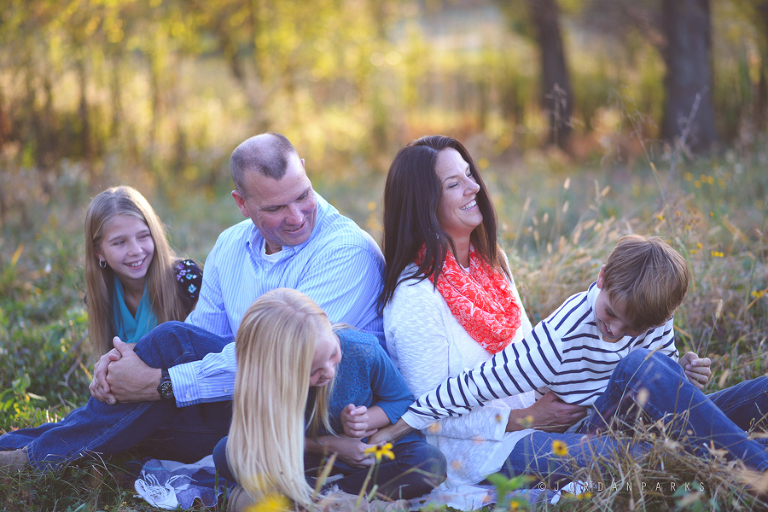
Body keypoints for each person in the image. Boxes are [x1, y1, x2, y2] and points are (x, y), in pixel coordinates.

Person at [0, 133, 385, 472]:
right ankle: (17, 452)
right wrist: (125, 361)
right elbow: (202, 334)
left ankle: (30, 461)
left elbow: (280, 360)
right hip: (247, 405)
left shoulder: (345, 251)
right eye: (275, 208)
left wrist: (158, 384)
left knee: (169, 347)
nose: (297, 215)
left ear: (303, 169)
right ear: (242, 202)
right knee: (137, 421)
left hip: (317, 412)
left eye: (303, 195)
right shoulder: (231, 245)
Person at [376, 232, 768, 487]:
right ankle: (758, 472)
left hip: (641, 421)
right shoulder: (562, 334)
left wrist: (679, 373)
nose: (615, 331)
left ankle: (732, 458)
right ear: (600, 278)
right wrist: (400, 425)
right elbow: (479, 383)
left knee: (752, 390)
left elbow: (666, 390)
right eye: (611, 314)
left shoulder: (650, 315)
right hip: (590, 429)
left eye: (632, 328)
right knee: (638, 365)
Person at [379, 135, 595, 506]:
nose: (474, 186)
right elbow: (431, 415)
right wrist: (526, 418)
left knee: (654, 390)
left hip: (547, 420)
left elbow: (530, 355)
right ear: (423, 205)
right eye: (454, 184)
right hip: (484, 452)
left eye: (469, 174)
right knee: (638, 455)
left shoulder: (491, 263)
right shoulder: (415, 297)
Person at [214, 288, 446, 511]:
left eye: (333, 354)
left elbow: (402, 400)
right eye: (313, 371)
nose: (330, 372)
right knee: (226, 454)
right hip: (308, 455)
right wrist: (332, 446)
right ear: (278, 371)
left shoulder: (361, 349)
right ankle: (347, 501)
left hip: (370, 454)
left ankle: (305, 498)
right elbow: (262, 437)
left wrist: (368, 420)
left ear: (326, 324)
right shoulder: (265, 383)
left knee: (428, 463)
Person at [84, 186, 202, 357]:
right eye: (119, 242)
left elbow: (206, 349)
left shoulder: (186, 279)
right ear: (99, 252)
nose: (136, 250)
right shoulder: (102, 293)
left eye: (143, 236)